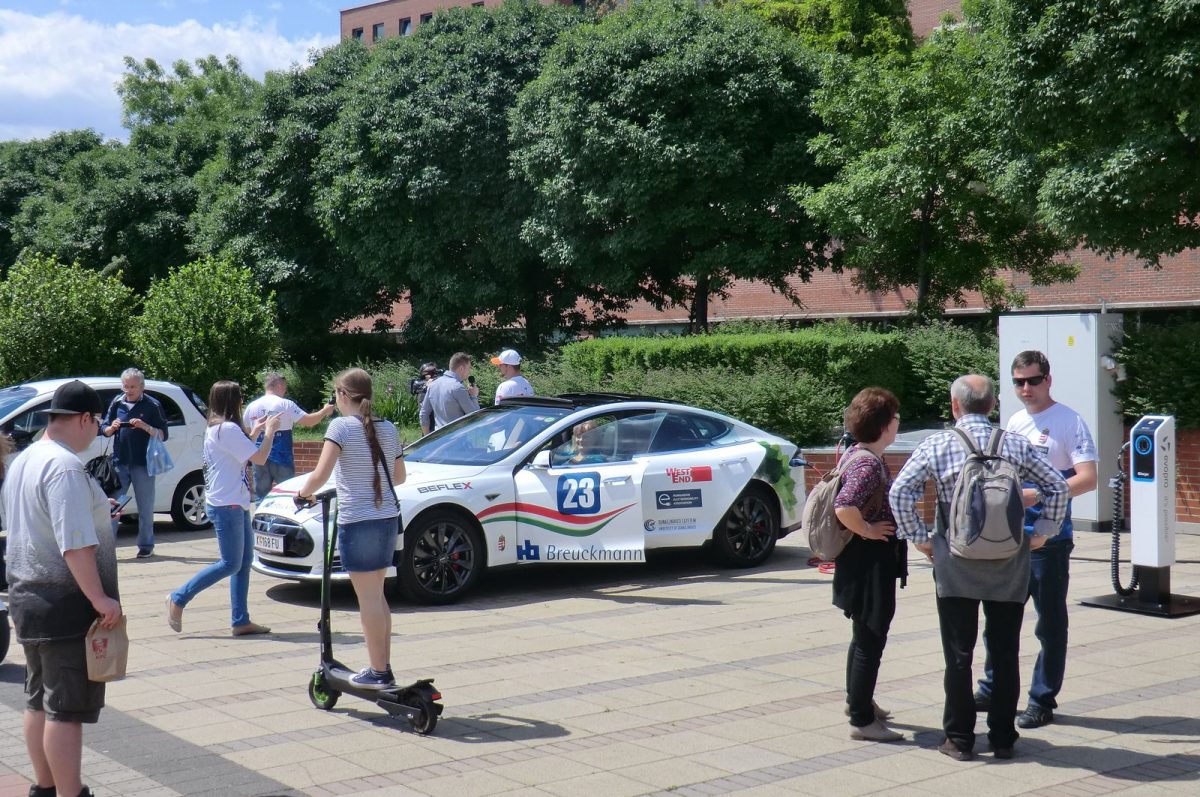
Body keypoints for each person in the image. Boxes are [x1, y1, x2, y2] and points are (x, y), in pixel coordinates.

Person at [889, 374, 1069, 761]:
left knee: (958, 655)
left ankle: (958, 739)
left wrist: (920, 538)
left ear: (955, 405)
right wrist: (1042, 532)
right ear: (992, 406)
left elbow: (900, 491)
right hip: (1008, 563)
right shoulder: (1014, 443)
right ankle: (1003, 738)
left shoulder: (937, 444)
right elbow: (1058, 486)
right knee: (1005, 651)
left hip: (955, 562)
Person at [1, 380, 122, 797]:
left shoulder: (25, 459)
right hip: (65, 605)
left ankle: (45, 788)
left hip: (28, 597)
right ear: (85, 418)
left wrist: (95, 508)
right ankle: (71, 793)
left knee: (39, 700)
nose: (98, 431)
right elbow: (74, 543)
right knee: (66, 711)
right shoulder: (66, 466)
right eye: (98, 422)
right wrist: (100, 599)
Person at [975, 351, 1097, 729]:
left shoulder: (1069, 421)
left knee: (1050, 624)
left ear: (1048, 380)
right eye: (1018, 382)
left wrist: (1038, 493)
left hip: (1050, 537)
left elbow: (1088, 478)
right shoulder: (1014, 421)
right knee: (999, 617)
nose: (1025, 388)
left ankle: (1042, 699)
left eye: (1032, 380)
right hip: (1010, 536)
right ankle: (993, 687)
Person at [296, 368, 405, 688]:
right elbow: (399, 477)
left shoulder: (341, 427)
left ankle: (378, 671)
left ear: (343, 395)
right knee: (377, 596)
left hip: (358, 522)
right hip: (387, 519)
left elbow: (320, 474)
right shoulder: (389, 428)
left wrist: (302, 494)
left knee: (367, 599)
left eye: (336, 395)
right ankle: (383, 666)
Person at [166, 381, 279, 637]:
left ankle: (240, 620)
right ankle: (178, 597)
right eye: (240, 397)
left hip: (234, 502)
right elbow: (259, 458)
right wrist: (270, 432)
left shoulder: (218, 428)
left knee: (243, 562)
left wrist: (255, 433)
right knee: (230, 563)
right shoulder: (227, 429)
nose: (242, 401)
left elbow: (238, 456)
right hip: (227, 504)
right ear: (232, 401)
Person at [832, 388, 907, 742]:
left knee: (863, 634)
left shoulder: (857, 453)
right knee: (870, 638)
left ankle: (858, 701)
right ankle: (862, 720)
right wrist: (868, 529)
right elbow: (844, 506)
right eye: (895, 417)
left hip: (862, 559)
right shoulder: (867, 464)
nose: (898, 423)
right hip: (869, 561)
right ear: (884, 425)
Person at [101, 368, 168, 558]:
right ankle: (108, 548)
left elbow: (163, 435)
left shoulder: (152, 405)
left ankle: (146, 546)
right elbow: (104, 428)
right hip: (119, 463)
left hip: (143, 464)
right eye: (125, 386)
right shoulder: (117, 402)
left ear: (142, 386)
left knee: (145, 506)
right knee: (114, 506)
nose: (128, 390)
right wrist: (111, 428)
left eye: (132, 387)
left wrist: (144, 426)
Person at [243, 372, 335, 501]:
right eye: (285, 387)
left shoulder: (251, 406)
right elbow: (309, 421)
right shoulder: (285, 404)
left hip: (258, 456)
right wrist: (324, 411)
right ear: (280, 385)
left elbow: (248, 434)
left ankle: (260, 514)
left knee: (261, 497)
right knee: (286, 494)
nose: (285, 390)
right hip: (282, 456)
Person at [419, 352, 479, 435]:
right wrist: (474, 396)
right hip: (457, 438)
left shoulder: (433, 385)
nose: (470, 371)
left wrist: (427, 437)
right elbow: (474, 416)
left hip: (439, 437)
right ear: (461, 368)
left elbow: (423, 414)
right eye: (469, 368)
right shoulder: (458, 387)